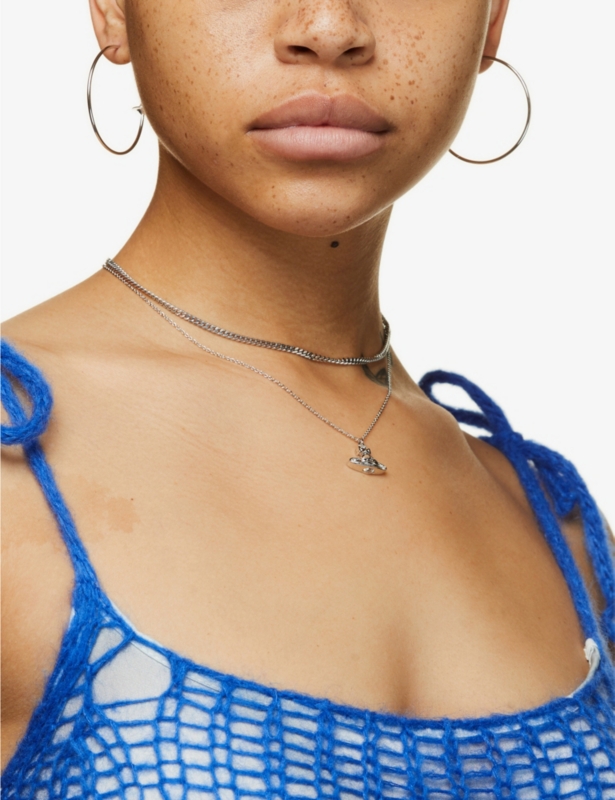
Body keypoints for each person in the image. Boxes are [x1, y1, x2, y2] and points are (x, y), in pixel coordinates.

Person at [1, 0, 614, 795]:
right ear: (113, 11)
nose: (328, 28)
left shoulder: (559, 529)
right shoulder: (16, 464)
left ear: (491, 20)